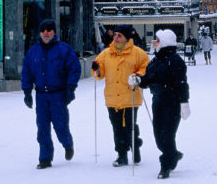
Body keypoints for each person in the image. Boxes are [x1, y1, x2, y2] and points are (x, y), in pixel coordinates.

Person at [21, 19, 81, 169]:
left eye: (49, 30)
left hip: (58, 95)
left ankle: (67, 144)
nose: (46, 33)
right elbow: (26, 72)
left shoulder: (64, 49)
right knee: (42, 128)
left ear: (54, 32)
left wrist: (71, 88)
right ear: (40, 33)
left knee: (60, 126)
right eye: (43, 30)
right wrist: (27, 91)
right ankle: (45, 158)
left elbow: (74, 68)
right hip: (41, 96)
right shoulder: (33, 51)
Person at [132, 29, 190, 179]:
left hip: (172, 102)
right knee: (158, 136)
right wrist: (139, 80)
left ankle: (165, 166)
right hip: (157, 101)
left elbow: (181, 83)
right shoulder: (156, 61)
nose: (154, 43)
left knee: (167, 135)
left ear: (164, 42)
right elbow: (148, 79)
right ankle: (174, 155)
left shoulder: (175, 61)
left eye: (157, 40)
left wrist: (184, 102)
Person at [92, 24, 149, 167]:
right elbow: (99, 74)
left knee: (130, 126)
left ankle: (135, 147)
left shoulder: (138, 53)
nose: (116, 38)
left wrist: (138, 76)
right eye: (115, 35)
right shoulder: (105, 53)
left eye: (119, 35)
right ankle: (122, 155)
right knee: (117, 128)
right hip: (112, 98)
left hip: (131, 97)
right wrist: (96, 69)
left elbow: (146, 68)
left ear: (126, 38)